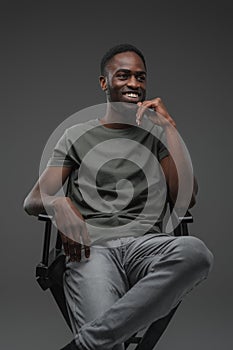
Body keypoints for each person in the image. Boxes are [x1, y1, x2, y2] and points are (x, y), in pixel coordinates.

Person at [24, 44, 213, 350]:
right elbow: (32, 199)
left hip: (147, 245)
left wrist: (170, 128)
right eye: (123, 75)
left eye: (140, 77)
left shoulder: (157, 136)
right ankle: (98, 341)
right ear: (104, 82)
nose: (134, 84)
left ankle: (84, 344)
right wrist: (58, 203)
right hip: (91, 250)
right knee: (109, 344)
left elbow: (186, 198)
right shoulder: (76, 134)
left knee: (197, 253)